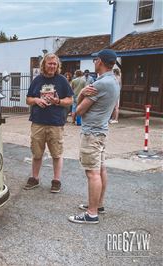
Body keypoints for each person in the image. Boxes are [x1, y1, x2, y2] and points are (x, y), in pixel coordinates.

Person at [68, 49, 120, 224]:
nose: (94, 63)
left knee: (92, 173)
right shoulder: (114, 81)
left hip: (92, 133)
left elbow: (80, 110)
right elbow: (112, 110)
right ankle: (98, 205)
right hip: (101, 131)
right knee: (101, 170)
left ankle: (91, 213)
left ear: (100, 61)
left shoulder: (100, 84)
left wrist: (81, 94)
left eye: (95, 60)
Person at [24, 53, 74, 193]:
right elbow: (28, 99)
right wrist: (36, 101)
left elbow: (70, 100)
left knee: (56, 154)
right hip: (38, 122)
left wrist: (58, 101)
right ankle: (34, 178)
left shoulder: (62, 80)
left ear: (57, 66)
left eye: (54, 64)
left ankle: (56, 180)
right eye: (49, 63)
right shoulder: (37, 80)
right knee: (37, 153)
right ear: (44, 65)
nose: (52, 66)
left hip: (56, 123)